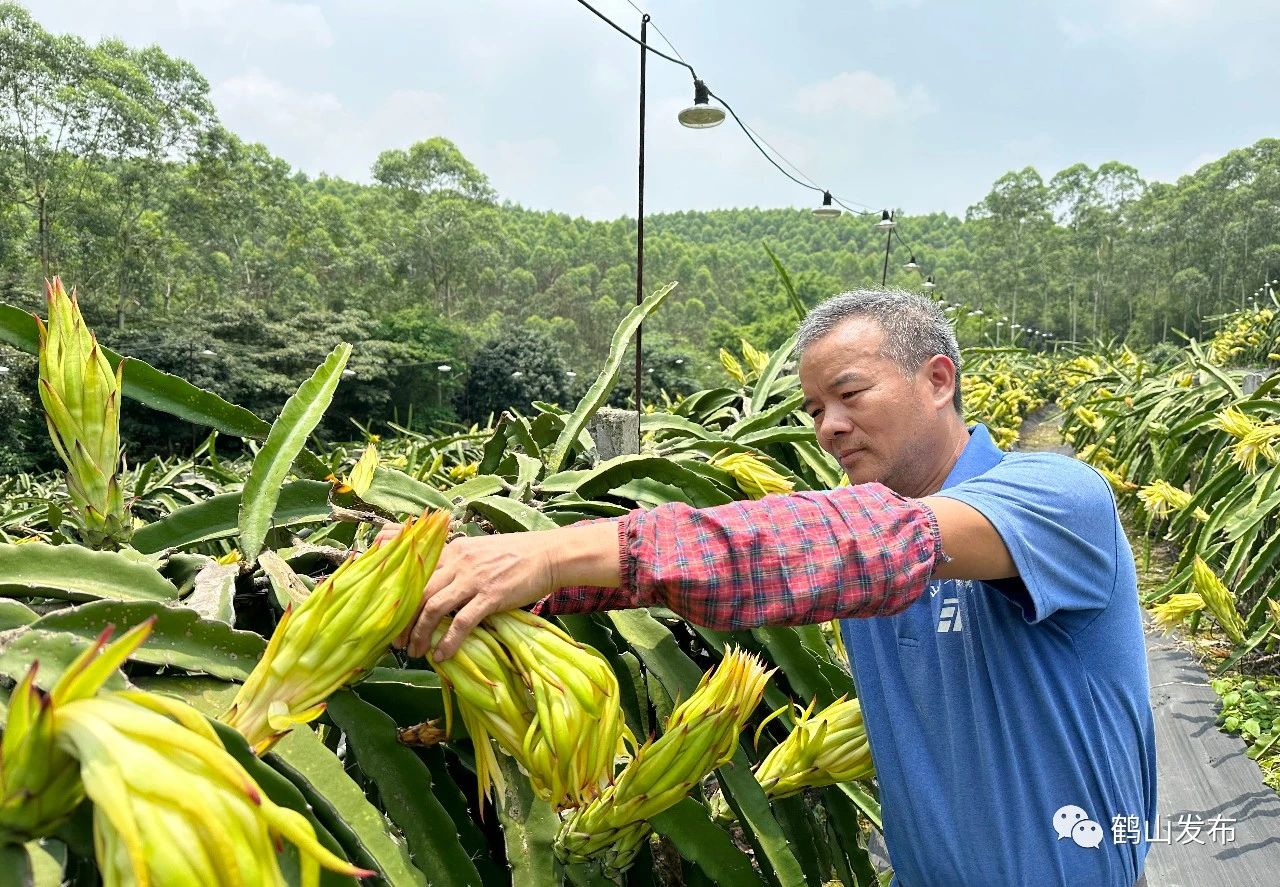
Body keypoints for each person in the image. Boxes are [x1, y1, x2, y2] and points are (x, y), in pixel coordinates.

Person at [385, 289, 1156, 887]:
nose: (827, 427)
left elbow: (849, 546)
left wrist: (552, 554)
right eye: (814, 408)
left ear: (938, 379)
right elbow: (731, 568)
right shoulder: (865, 524)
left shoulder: (1056, 499)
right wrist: (452, 576)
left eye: (850, 394)